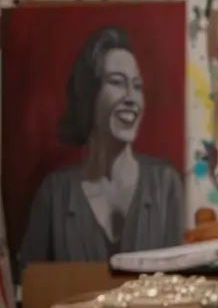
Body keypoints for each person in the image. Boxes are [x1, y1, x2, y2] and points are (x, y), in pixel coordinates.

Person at [21, 25, 185, 262]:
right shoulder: (55, 194)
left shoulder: (166, 186)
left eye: (137, 86)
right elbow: (31, 286)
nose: (131, 98)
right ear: (90, 93)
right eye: (117, 82)